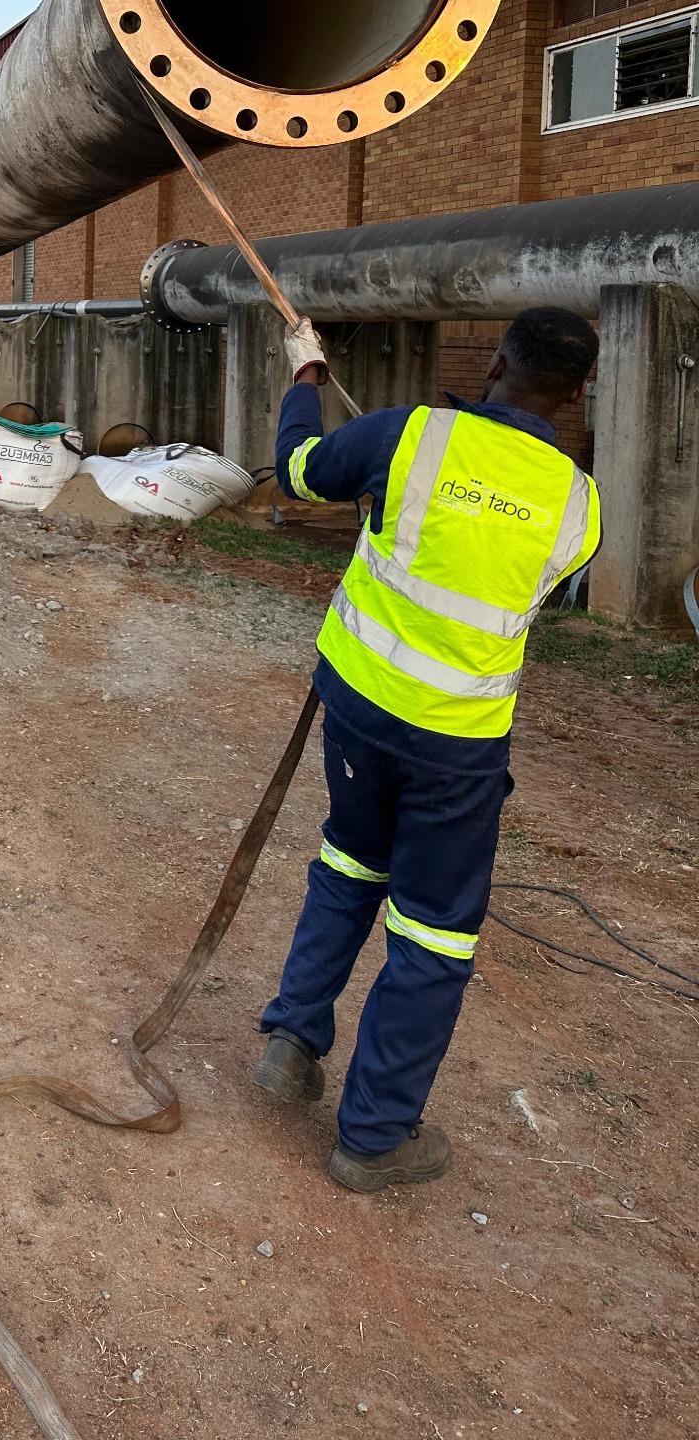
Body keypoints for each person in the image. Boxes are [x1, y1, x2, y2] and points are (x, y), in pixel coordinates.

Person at [254, 307, 601, 1192]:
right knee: (433, 933)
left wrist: (306, 377)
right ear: (577, 395)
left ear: (495, 364)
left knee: (349, 862)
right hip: (456, 748)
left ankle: (292, 1039)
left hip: (359, 709)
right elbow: (521, 581)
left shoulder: (406, 435)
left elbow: (298, 472)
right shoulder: (580, 506)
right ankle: (372, 1137)